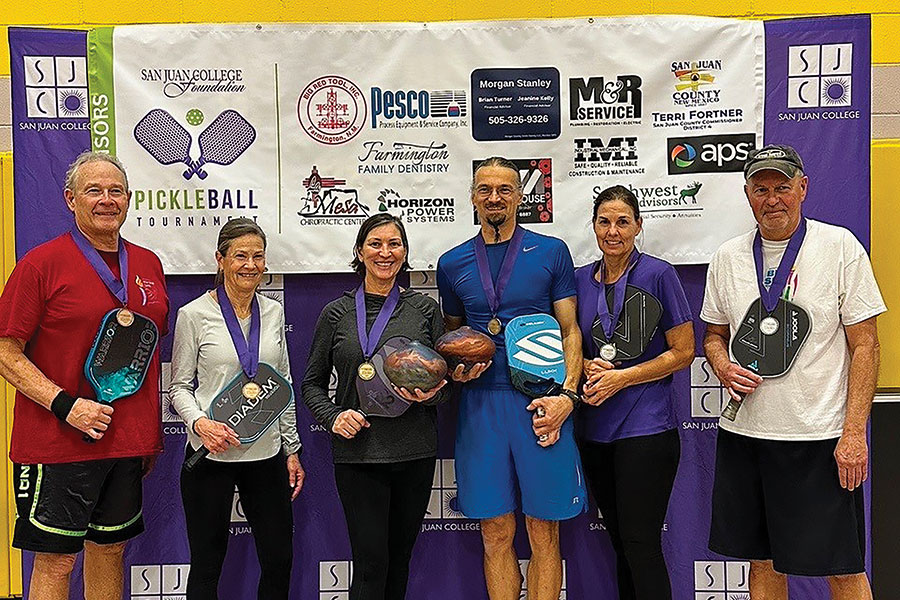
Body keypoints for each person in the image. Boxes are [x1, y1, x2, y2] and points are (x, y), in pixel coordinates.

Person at [701, 145, 883, 599]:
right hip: (746, 435)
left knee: (841, 568)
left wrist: (854, 433)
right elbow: (712, 336)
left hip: (818, 438)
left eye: (783, 187)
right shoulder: (727, 256)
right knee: (762, 564)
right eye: (761, 189)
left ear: (802, 188)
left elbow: (866, 345)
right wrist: (722, 365)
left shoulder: (839, 246)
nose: (773, 199)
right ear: (747, 195)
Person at [0, 151, 169, 600]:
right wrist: (65, 405)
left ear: (129, 199)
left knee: (110, 549)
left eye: (116, 191)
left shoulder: (149, 265)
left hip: (126, 440)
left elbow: (144, 355)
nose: (107, 200)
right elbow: (5, 350)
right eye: (94, 190)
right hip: (59, 440)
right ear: (70, 199)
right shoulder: (41, 264)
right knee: (56, 561)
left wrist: (147, 432)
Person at [436, 157, 586, 600]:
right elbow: (452, 336)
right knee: (496, 531)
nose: (494, 197)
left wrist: (568, 397)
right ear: (473, 196)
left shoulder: (551, 251)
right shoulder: (452, 262)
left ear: (521, 196)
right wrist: (458, 370)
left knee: (544, 533)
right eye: (485, 189)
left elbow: (569, 330)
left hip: (542, 403)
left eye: (504, 189)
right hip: (482, 406)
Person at [302, 213, 448, 600]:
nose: (385, 253)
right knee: (370, 565)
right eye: (375, 244)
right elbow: (311, 385)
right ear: (360, 251)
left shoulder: (424, 311)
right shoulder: (336, 313)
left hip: (414, 451)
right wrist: (334, 416)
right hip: (359, 456)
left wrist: (431, 394)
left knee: (399, 561)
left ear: (404, 252)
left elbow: (446, 387)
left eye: (394, 244)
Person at [169, 218, 304, 600]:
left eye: (258, 256)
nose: (250, 265)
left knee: (279, 562)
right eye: (240, 256)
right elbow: (178, 387)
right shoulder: (193, 315)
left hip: (266, 455)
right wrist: (200, 424)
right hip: (211, 454)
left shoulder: (273, 312)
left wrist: (291, 449)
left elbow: (284, 384)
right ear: (220, 259)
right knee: (207, 565)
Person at [575, 185, 694, 600]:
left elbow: (683, 352)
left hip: (647, 430)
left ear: (638, 226)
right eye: (604, 221)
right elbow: (574, 347)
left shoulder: (659, 274)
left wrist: (622, 378)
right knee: (621, 545)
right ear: (593, 226)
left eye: (623, 222)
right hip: (594, 432)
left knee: (642, 545)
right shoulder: (578, 281)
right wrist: (587, 366)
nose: (613, 231)